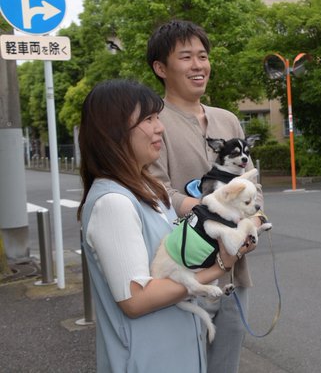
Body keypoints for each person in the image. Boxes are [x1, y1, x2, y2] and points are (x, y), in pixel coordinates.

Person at [78, 79, 247, 373]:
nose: (160, 127)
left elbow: (174, 257)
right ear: (113, 130)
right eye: (148, 119)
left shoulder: (146, 188)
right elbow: (136, 299)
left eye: (157, 117)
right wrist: (219, 267)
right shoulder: (113, 203)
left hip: (175, 353)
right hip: (147, 360)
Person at [147, 20, 263, 373]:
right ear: (161, 68)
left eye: (203, 56)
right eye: (186, 57)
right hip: (187, 275)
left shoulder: (227, 120)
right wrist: (208, 211)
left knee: (226, 365)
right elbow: (156, 193)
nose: (199, 65)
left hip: (235, 273)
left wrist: (253, 224)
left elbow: (252, 190)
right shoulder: (153, 123)